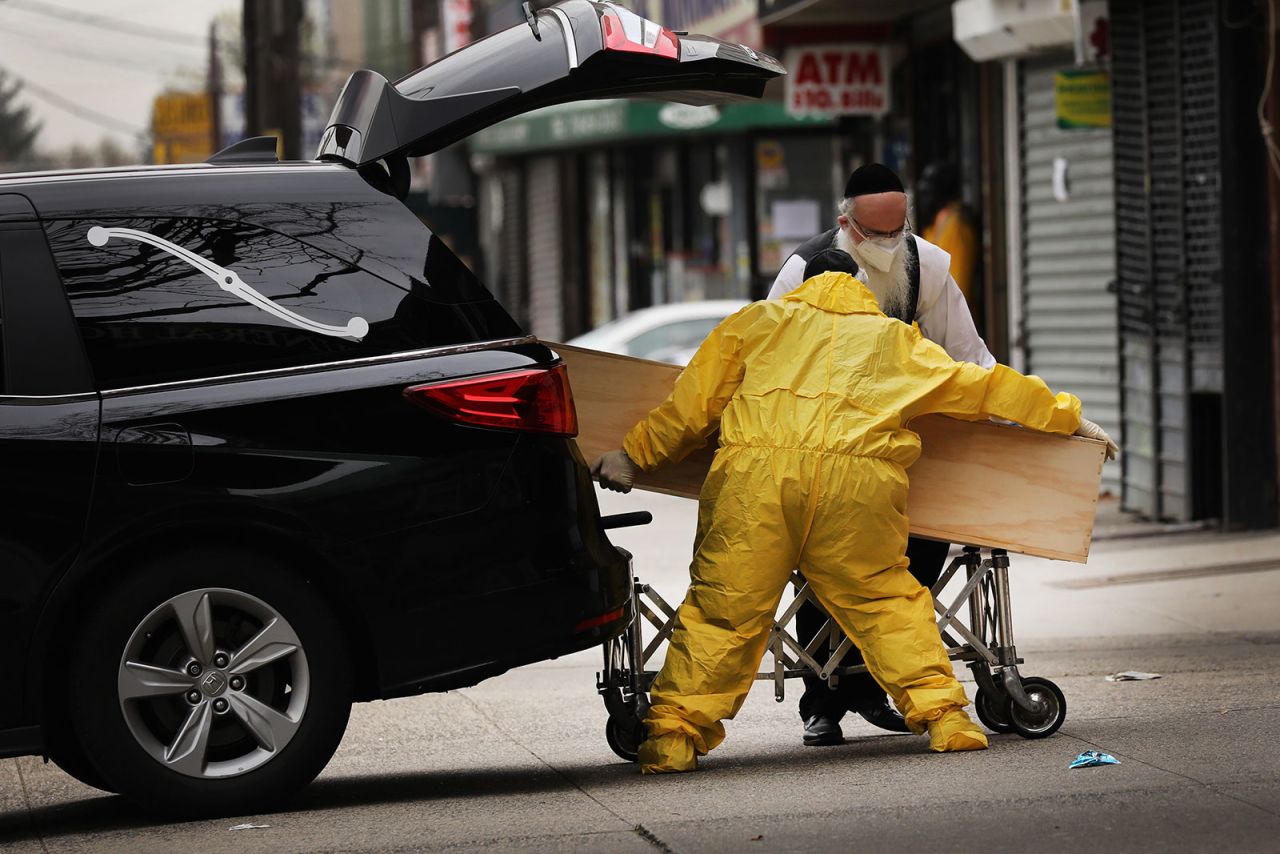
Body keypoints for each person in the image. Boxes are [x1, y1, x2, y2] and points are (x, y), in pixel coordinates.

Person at [591, 248, 1116, 774]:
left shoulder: (754, 323)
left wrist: (635, 455)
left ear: (802, 283)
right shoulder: (895, 340)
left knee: (723, 612)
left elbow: (691, 408)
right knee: (886, 602)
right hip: (857, 488)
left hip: (756, 486)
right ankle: (948, 720)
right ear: (862, 284)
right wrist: (1070, 419)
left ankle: (673, 741)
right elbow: (986, 386)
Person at [766, 162, 992, 745]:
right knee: (824, 571)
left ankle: (881, 686)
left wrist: (1019, 416)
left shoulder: (930, 266)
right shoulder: (802, 268)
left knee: (915, 565)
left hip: (906, 451)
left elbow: (969, 357)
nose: (889, 246)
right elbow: (767, 354)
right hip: (825, 448)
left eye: (899, 233)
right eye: (876, 235)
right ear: (847, 225)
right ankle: (825, 700)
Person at [917, 161, 980, 319]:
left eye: (928, 192)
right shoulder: (935, 223)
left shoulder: (955, 223)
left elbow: (958, 286)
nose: (924, 199)